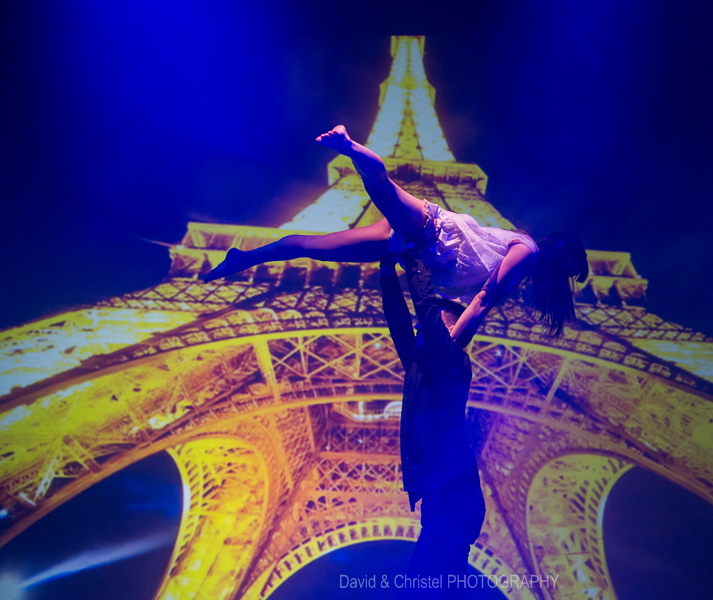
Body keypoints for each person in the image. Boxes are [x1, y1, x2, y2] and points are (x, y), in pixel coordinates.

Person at [204, 125, 590, 345]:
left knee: (316, 248)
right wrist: (454, 345)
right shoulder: (529, 254)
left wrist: (446, 333)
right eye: (570, 272)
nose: (566, 281)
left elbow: (470, 295)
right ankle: (348, 144)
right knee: (383, 190)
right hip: (432, 230)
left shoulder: (523, 260)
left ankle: (246, 258)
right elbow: (484, 298)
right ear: (560, 258)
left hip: (420, 244)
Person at [379, 246, 484, 599]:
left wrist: (412, 257)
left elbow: (424, 310)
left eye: (438, 320)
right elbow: (399, 322)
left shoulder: (452, 360)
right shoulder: (420, 364)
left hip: (456, 501)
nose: (424, 325)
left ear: (454, 328)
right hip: (443, 503)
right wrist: (385, 269)